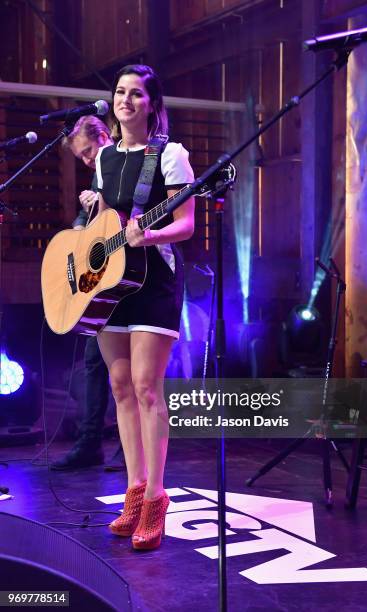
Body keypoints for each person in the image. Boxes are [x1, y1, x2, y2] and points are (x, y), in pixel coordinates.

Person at [95, 64, 195, 550]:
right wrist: (96, 209)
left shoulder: (170, 155)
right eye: (120, 92)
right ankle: (133, 492)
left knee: (146, 387)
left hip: (154, 280)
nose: (126, 101)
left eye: (136, 94)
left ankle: (157, 498)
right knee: (119, 386)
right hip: (111, 283)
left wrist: (150, 233)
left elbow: (186, 224)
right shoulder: (104, 158)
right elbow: (105, 225)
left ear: (152, 104)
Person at [51, 116, 114, 471]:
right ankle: (90, 443)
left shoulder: (125, 164)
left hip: (138, 276)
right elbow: (86, 224)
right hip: (104, 279)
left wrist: (99, 204)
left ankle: (129, 446)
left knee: (131, 372)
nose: (88, 161)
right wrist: (77, 230)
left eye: (89, 153)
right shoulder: (98, 173)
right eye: (83, 159)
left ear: (103, 136)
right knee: (93, 362)